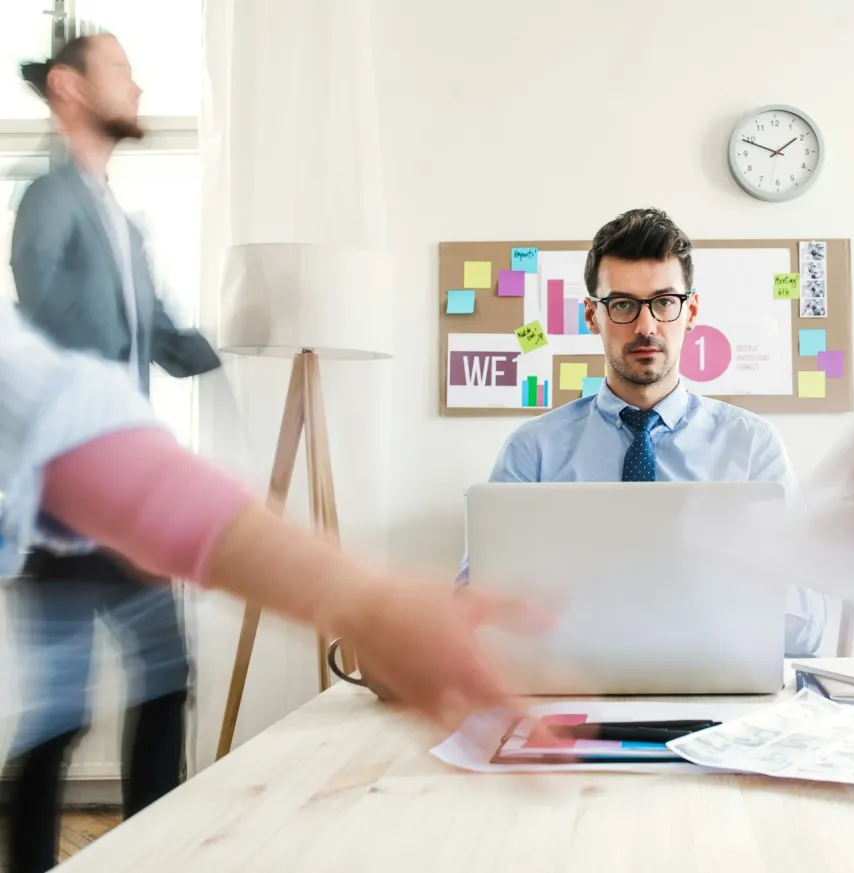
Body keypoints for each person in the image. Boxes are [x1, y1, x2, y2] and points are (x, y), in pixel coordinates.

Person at [0, 303, 539, 866]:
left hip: (96, 518)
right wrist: (369, 605)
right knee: (68, 711)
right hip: (67, 543)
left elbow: (61, 420)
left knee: (156, 686)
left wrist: (371, 606)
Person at [10, 32, 209, 872]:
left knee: (162, 677)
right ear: (70, 88)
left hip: (120, 488)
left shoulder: (122, 221)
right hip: (72, 489)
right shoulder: (48, 200)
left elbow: (160, 336)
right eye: (120, 71)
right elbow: (43, 329)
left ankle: (145, 852)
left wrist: (245, 335)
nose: (135, 84)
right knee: (64, 708)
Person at [457, 208, 827, 657]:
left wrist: (707, 596)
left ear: (690, 311)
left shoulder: (751, 446)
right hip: (567, 688)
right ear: (593, 316)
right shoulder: (533, 449)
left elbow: (806, 621)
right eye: (623, 304)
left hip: (715, 685)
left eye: (664, 302)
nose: (646, 326)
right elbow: (472, 606)